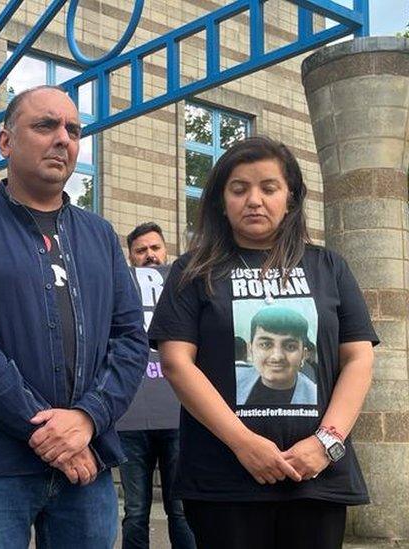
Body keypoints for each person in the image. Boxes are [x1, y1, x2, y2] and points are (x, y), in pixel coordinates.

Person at [0, 85, 148, 548]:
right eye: (46, 125)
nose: (63, 139)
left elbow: (131, 339)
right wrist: (49, 430)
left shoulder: (101, 235)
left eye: (73, 129)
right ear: (5, 142)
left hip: (88, 465)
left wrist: (87, 419)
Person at [148, 136, 377, 549]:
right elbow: (177, 362)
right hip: (224, 481)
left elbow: (358, 357)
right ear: (221, 200)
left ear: (290, 197)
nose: (254, 200)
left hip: (316, 479)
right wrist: (244, 444)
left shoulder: (329, 267)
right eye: (239, 189)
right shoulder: (192, 272)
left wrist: (326, 444)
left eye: (268, 188)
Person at [119, 223, 195, 549]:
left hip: (178, 416)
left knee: (181, 508)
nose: (150, 255)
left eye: (155, 248)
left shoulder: (184, 289)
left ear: (166, 251)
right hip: (130, 422)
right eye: (141, 250)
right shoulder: (120, 292)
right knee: (135, 511)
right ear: (131, 258)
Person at [237, 305, 317, 406]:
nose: (277, 357)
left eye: (290, 347)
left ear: (303, 355)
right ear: (250, 349)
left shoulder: (314, 397)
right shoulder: (234, 381)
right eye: (265, 345)